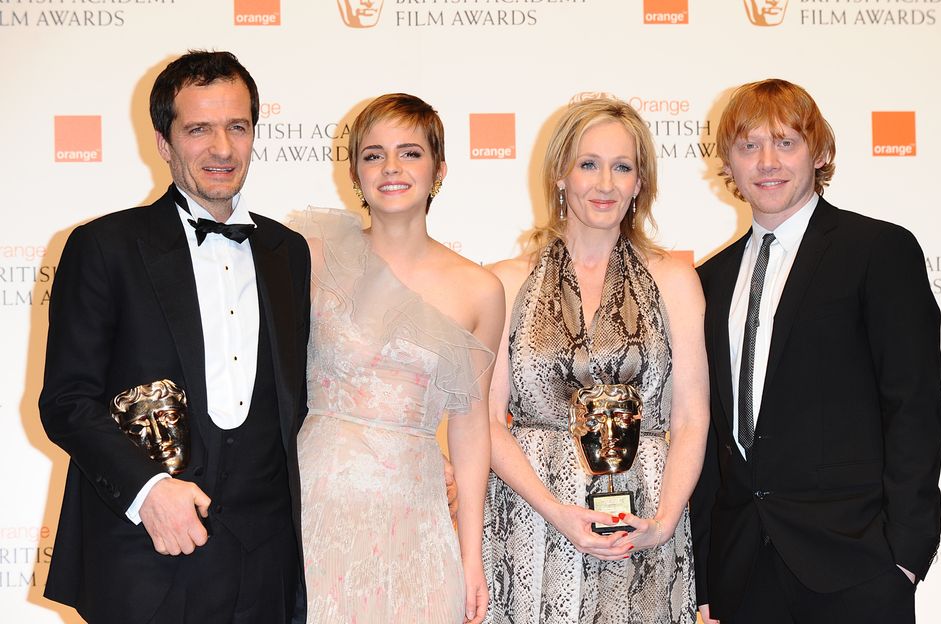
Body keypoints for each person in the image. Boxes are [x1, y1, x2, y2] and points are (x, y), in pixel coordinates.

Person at [38, 51, 311, 624]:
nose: (221, 148)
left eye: (237, 127)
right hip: (149, 558)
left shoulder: (290, 253)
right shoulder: (104, 247)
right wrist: (148, 493)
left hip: (266, 565)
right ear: (164, 142)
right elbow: (66, 402)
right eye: (198, 129)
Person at [690, 78, 941, 624]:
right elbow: (707, 434)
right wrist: (704, 574)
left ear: (820, 152)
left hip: (857, 564)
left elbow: (914, 405)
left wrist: (905, 552)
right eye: (748, 145)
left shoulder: (878, 251)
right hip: (742, 569)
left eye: (786, 142)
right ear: (728, 164)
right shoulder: (708, 281)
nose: (767, 161)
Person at [482, 97, 709, 623]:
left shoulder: (674, 281)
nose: (605, 183)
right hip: (533, 516)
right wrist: (556, 510)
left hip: (645, 519)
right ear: (560, 175)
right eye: (589, 164)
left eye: (622, 167)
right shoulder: (506, 280)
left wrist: (664, 522)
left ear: (639, 184)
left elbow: (692, 418)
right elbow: (487, 421)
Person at [292, 93, 504, 623]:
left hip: (416, 512)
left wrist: (470, 554)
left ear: (439, 169)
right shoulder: (311, 256)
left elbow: (472, 423)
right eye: (373, 154)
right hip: (315, 502)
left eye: (410, 153)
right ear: (355, 171)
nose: (390, 167)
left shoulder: (478, 289)